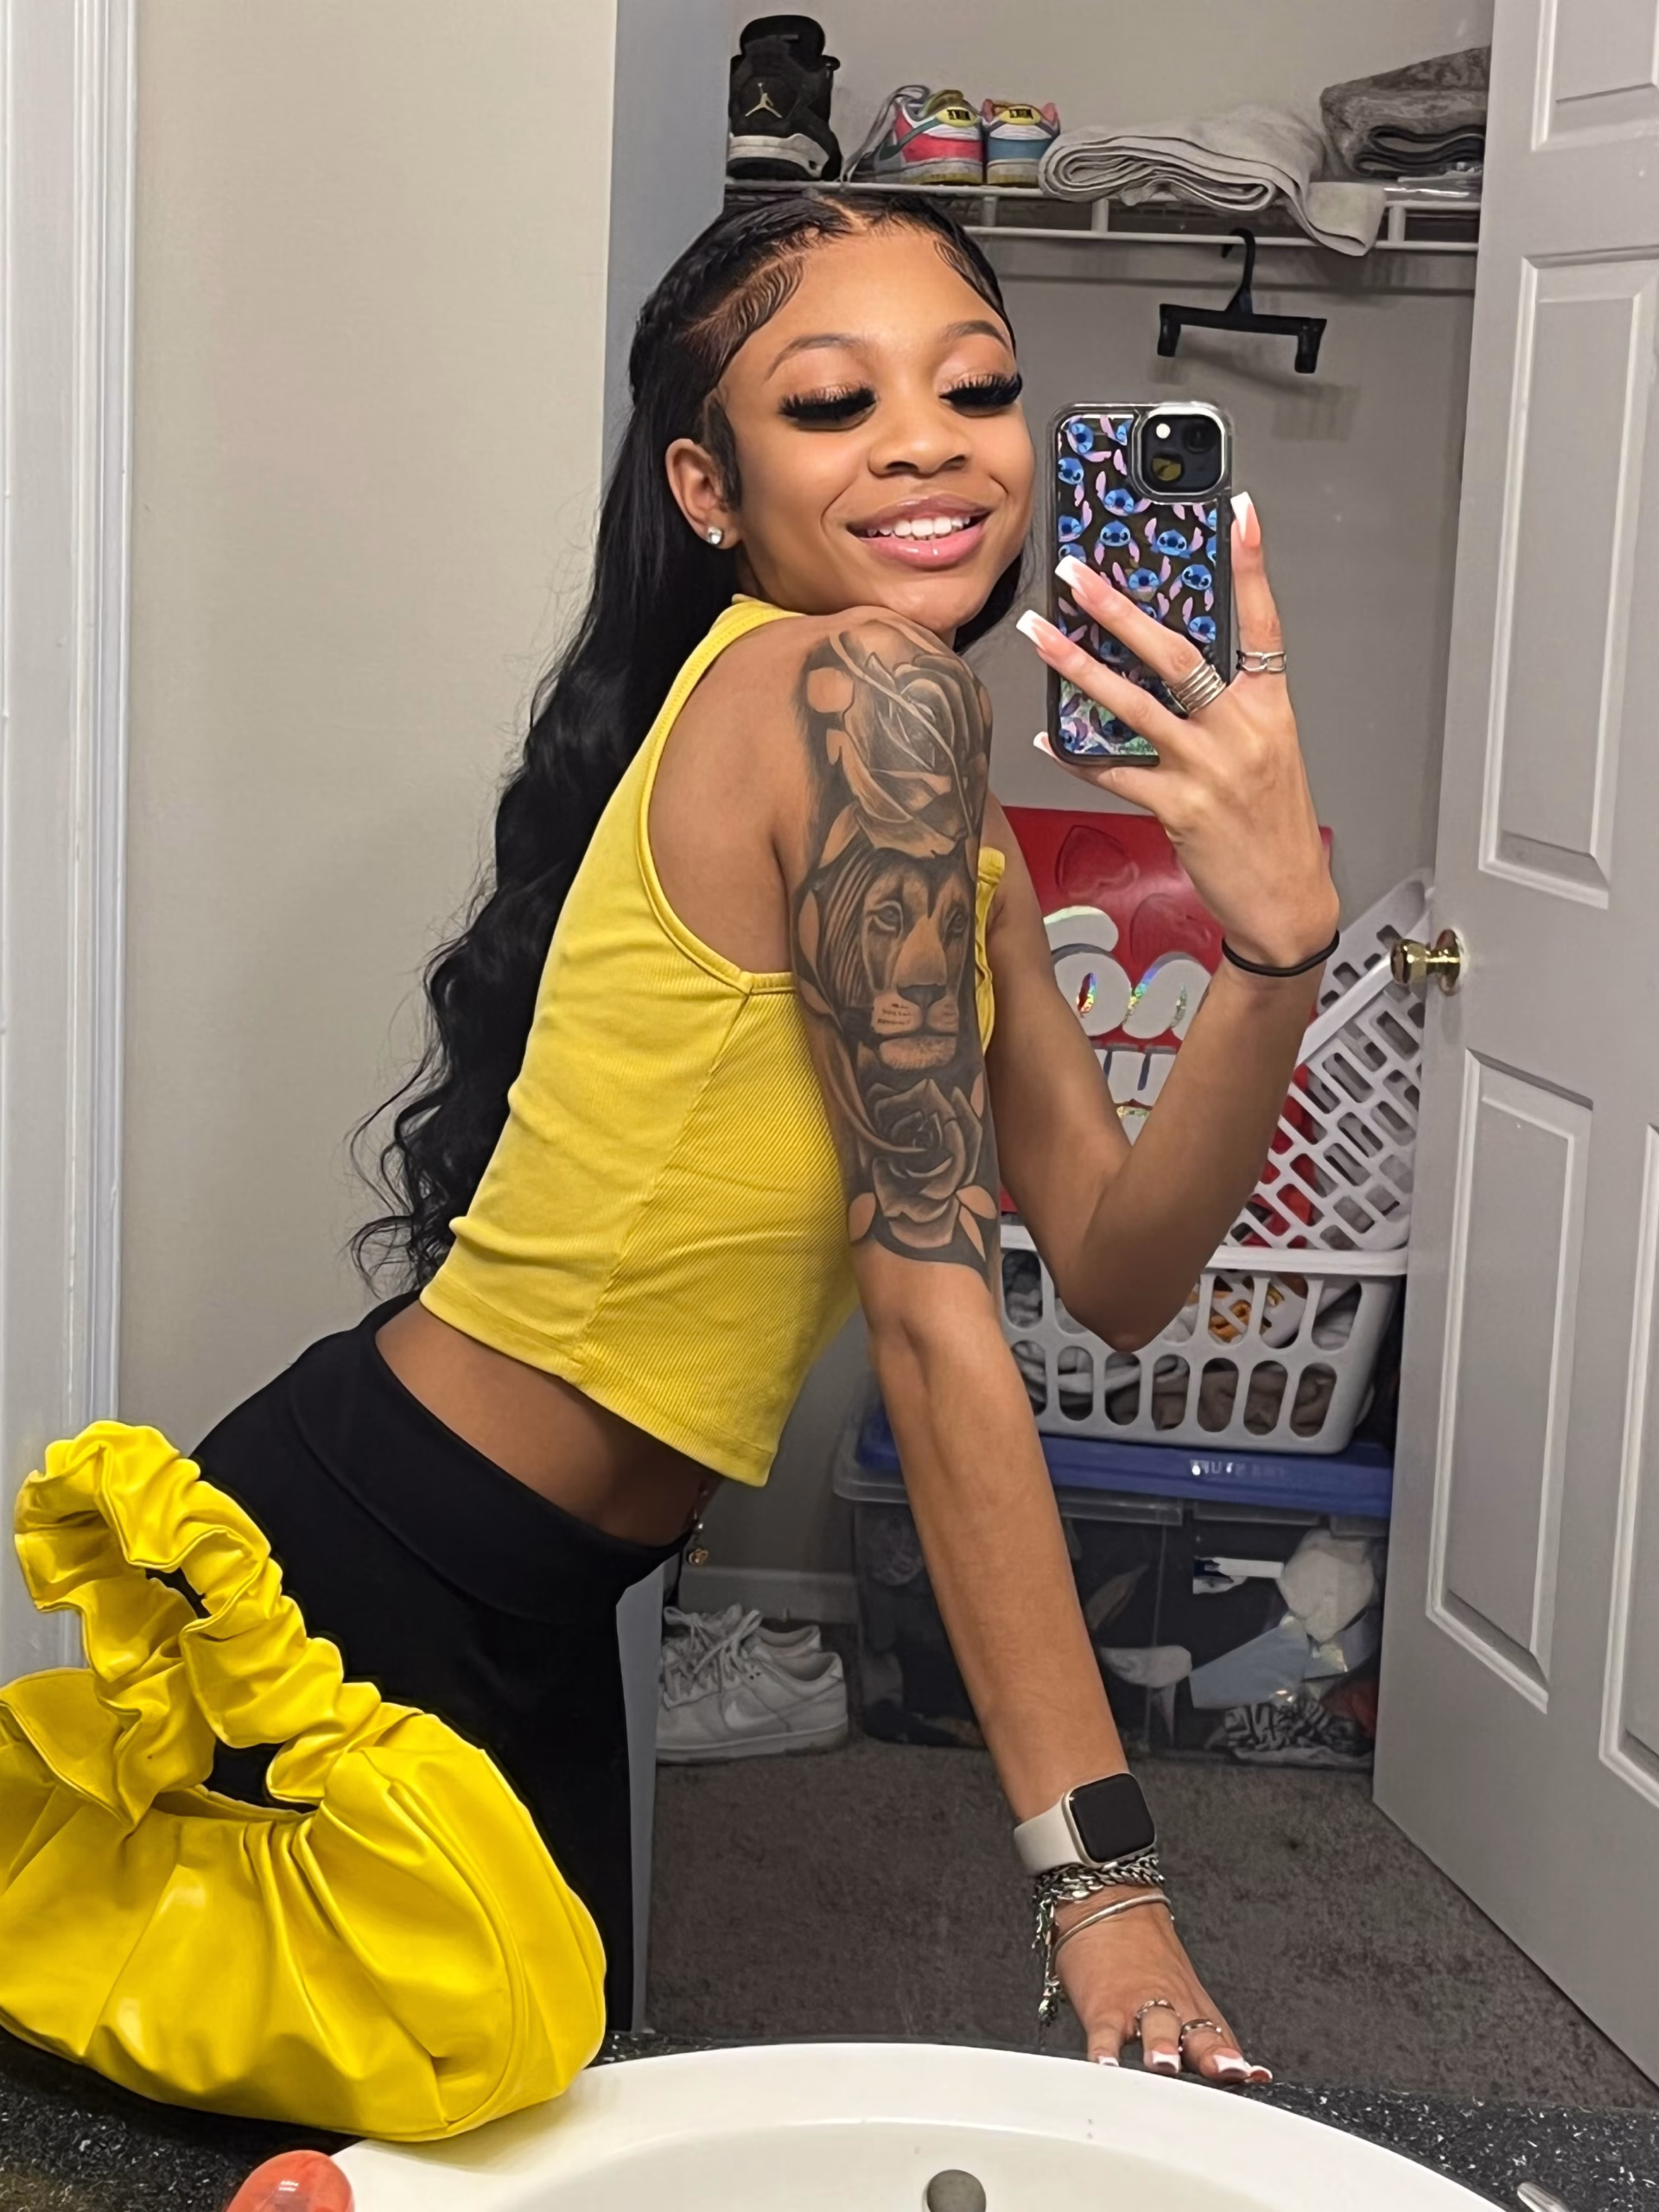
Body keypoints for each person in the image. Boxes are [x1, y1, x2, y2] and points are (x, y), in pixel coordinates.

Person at [0, 192, 1337, 2126]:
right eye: (832, 402)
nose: (926, 442)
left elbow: (1120, 1270)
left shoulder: (925, 766)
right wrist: (1101, 1886)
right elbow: (933, 1319)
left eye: (974, 387)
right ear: (709, 486)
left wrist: (1276, 945)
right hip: (378, 1576)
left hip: (537, 1590)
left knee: (528, 2129)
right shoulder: (855, 696)